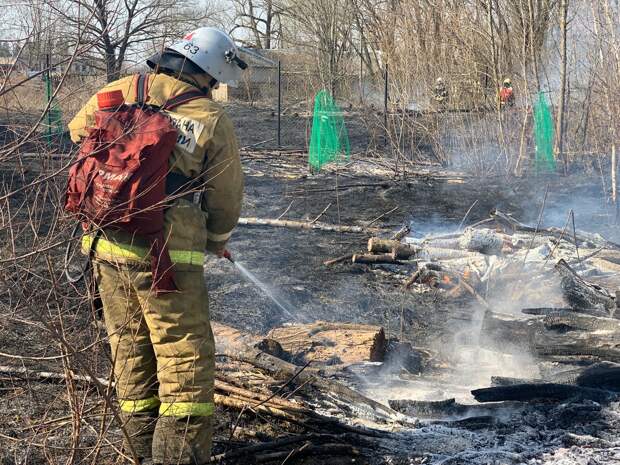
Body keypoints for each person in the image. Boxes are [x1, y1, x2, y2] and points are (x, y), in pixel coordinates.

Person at [68, 27, 245, 464]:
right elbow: (225, 193)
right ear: (211, 72)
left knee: (130, 356)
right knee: (185, 370)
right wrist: (216, 239)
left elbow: (76, 133)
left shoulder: (117, 90)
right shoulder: (208, 115)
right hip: (167, 257)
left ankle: (140, 455)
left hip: (104, 243)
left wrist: (120, 167)